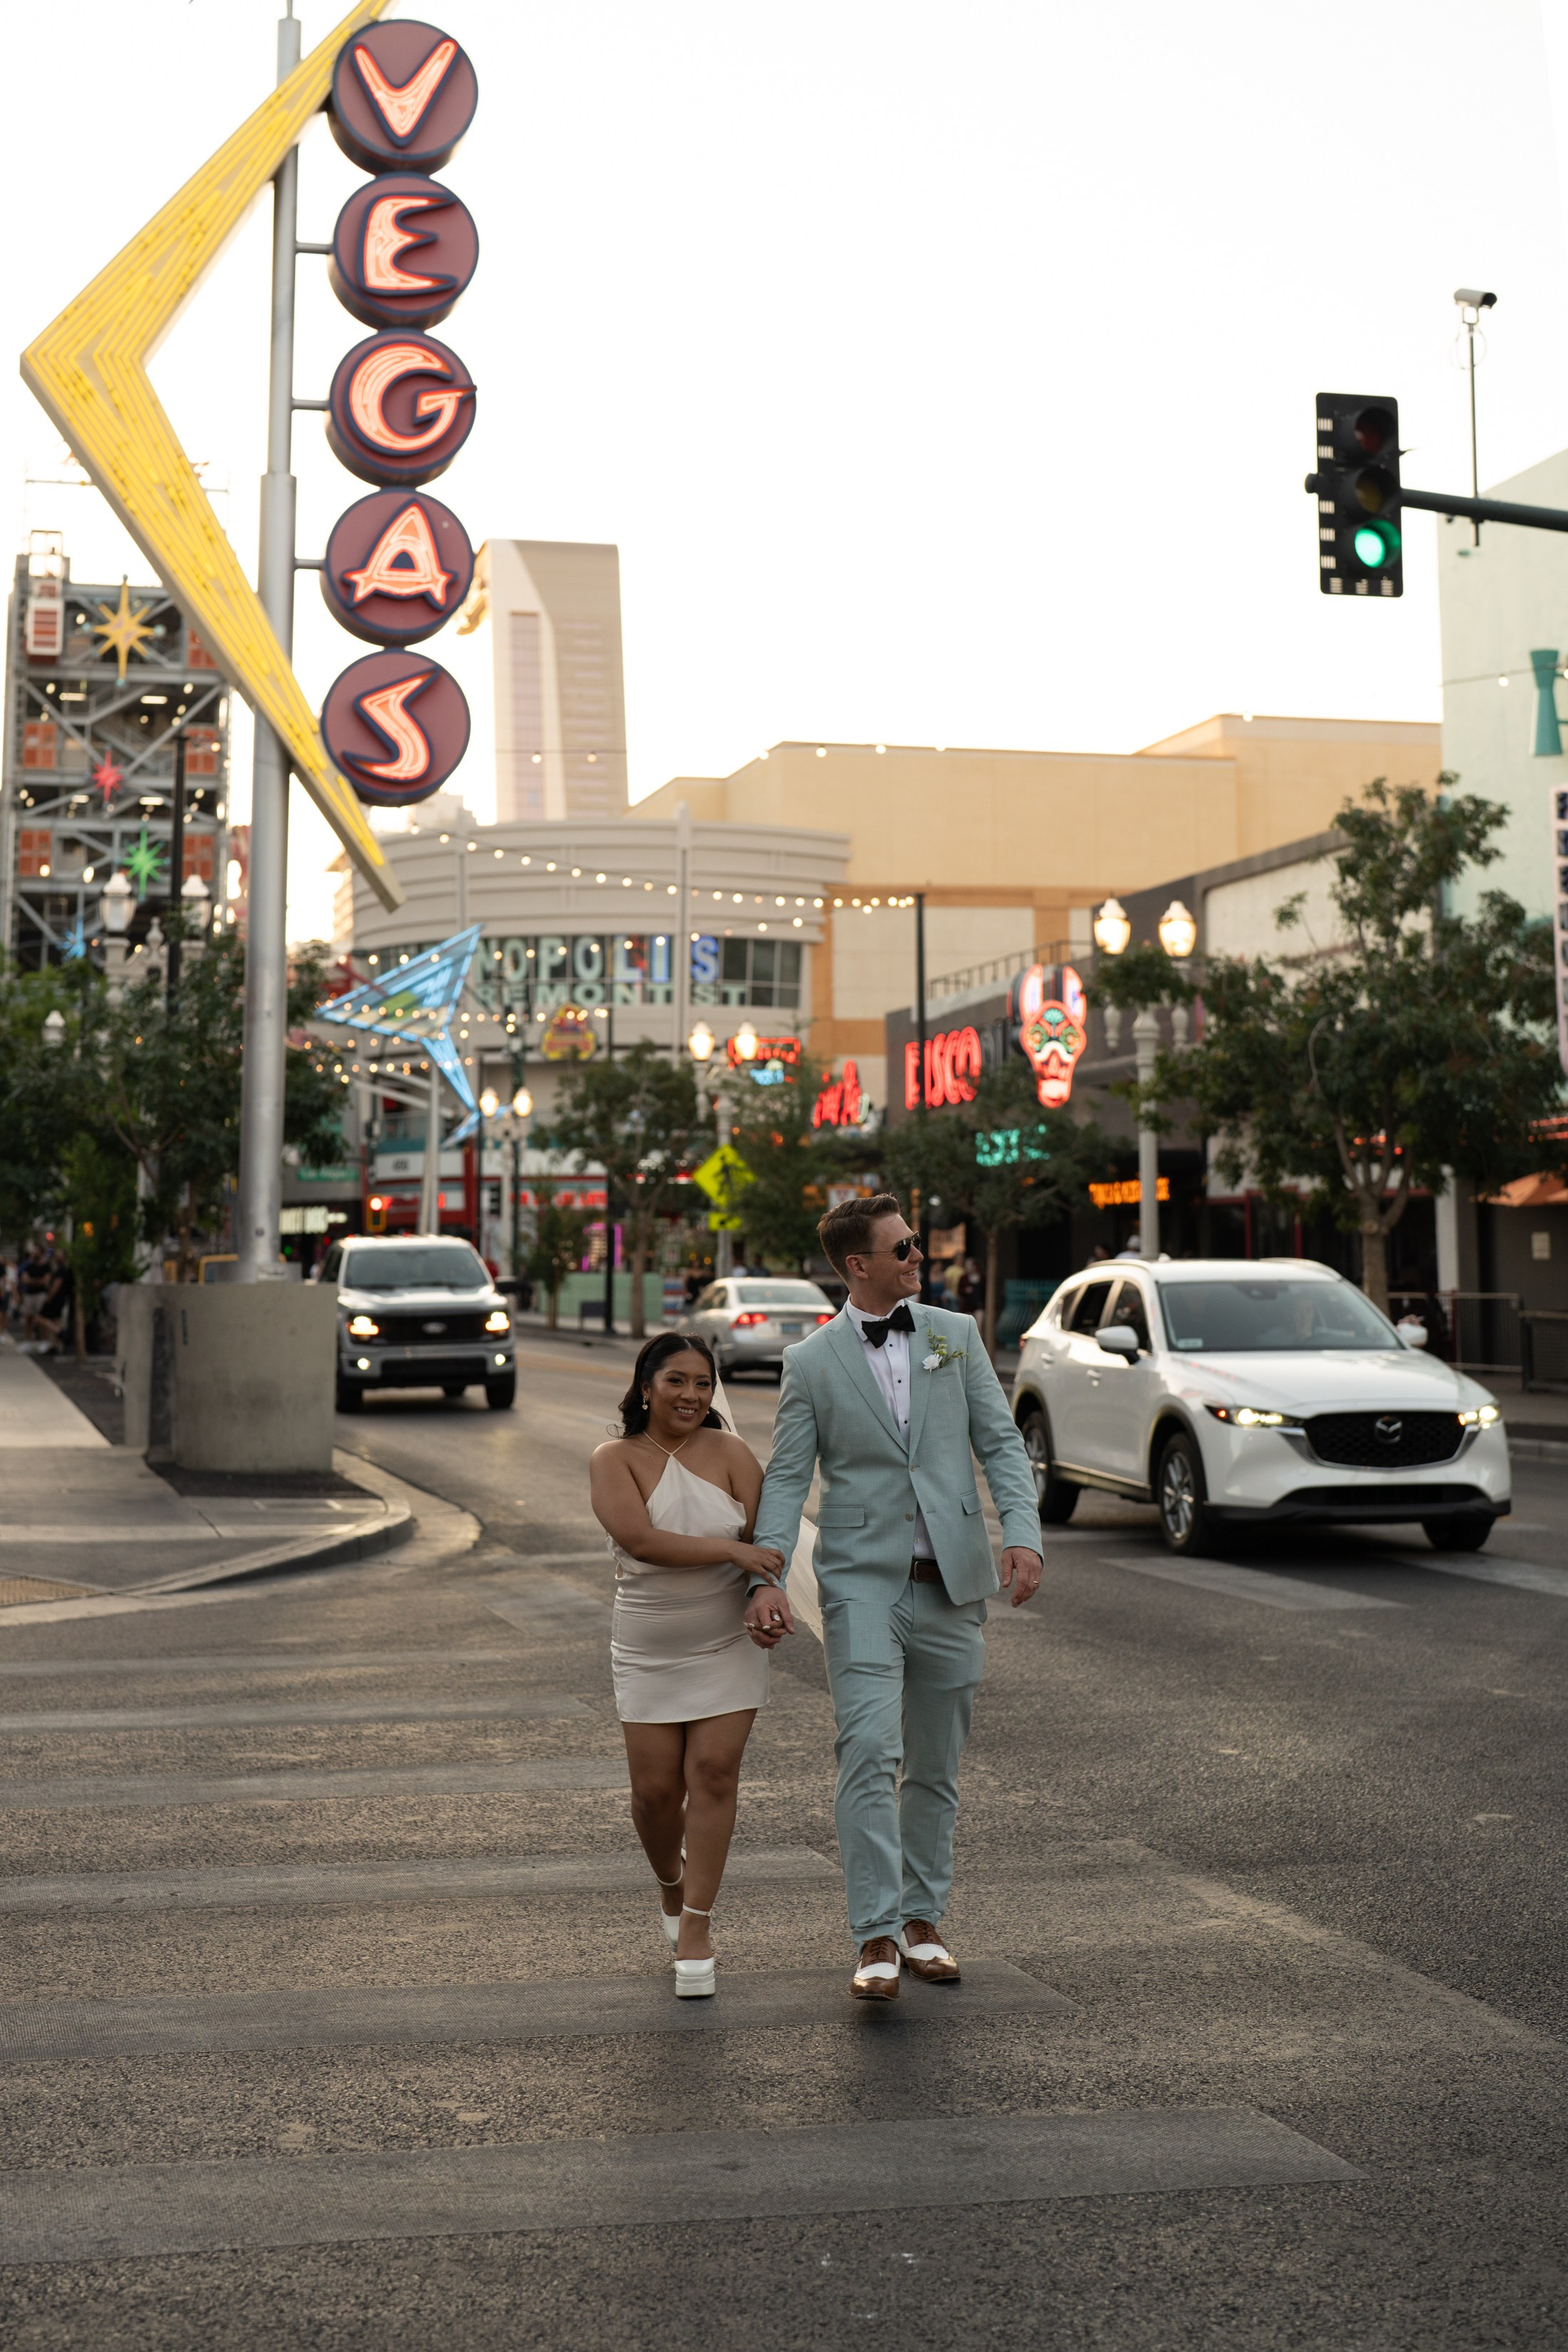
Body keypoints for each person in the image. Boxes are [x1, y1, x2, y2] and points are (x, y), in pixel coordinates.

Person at [748, 1194, 1043, 2003]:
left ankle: (923, 1922)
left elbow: (1000, 1444)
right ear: (858, 1266)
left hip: (951, 1585)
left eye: (915, 1245)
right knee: (869, 1753)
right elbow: (786, 1478)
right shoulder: (810, 1363)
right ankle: (875, 1933)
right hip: (861, 1586)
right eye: (904, 1248)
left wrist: (1023, 1534)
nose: (919, 1257)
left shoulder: (954, 1337)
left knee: (936, 1767)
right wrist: (766, 1574)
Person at [589, 1333, 785, 1998]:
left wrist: (764, 1591)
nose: (691, 1396)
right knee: (652, 1795)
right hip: (648, 1646)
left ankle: (698, 1923)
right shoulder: (613, 1458)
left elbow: (769, 1540)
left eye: (703, 1384)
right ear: (645, 1387)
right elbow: (640, 1541)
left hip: (726, 1641)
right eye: (676, 1381)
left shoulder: (731, 1452)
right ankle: (671, 1887)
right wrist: (734, 1557)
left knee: (714, 1774)